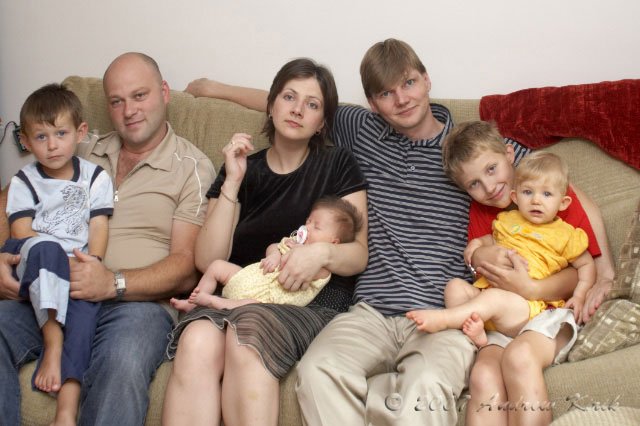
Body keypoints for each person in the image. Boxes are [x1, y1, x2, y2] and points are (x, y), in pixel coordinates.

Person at [184, 38, 614, 426]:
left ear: (426, 80)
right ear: (373, 104)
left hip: (444, 318)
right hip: (370, 311)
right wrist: (214, 88)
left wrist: (605, 272)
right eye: (386, 93)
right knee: (317, 371)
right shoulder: (360, 130)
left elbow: (570, 195)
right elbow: (292, 106)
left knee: (423, 388)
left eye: (408, 83)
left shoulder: (469, 151)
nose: (402, 99)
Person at [0, 52, 215, 425]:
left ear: (164, 93)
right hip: (52, 290)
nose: (129, 111)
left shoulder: (192, 167)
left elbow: (186, 265)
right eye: (116, 101)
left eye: (139, 96)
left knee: (122, 359)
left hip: (136, 306)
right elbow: (11, 197)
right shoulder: (81, 145)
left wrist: (112, 283)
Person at [162, 58, 368, 425]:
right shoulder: (242, 168)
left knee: (247, 329)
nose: (297, 109)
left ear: (322, 122)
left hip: (309, 302)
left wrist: (321, 253)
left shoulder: (338, 163)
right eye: (289, 97)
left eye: (312, 104)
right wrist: (232, 182)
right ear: (271, 105)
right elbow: (207, 259)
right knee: (196, 341)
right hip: (243, 290)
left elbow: (358, 255)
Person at [437, 120, 615, 425]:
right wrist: (478, 255)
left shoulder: (547, 193)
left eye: (491, 169)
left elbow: (583, 264)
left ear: (510, 155)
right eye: (474, 184)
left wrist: (602, 276)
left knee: (519, 357)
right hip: (502, 321)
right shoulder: (483, 213)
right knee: (482, 375)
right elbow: (479, 265)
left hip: (547, 311)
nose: (489, 187)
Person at [2, 83, 113, 425]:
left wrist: (93, 261)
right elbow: (21, 232)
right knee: (47, 248)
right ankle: (53, 341)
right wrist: (56, 263)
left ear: (80, 132)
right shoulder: (24, 181)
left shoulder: (95, 178)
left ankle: (66, 411)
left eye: (61, 134)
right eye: (41, 137)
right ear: (25, 141)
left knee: (84, 318)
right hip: (32, 258)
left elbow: (98, 226)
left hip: (74, 267)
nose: (52, 145)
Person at [407, 150, 596, 349]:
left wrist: (580, 295)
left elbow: (586, 264)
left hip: (525, 308)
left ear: (563, 203)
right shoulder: (508, 220)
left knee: (493, 299)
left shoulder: (566, 234)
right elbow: (492, 238)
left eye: (546, 194)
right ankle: (476, 333)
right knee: (454, 286)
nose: (536, 200)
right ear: (515, 197)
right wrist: (477, 245)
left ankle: (446, 319)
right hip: (488, 301)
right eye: (528, 192)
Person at [170, 195, 362, 311]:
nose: (307, 227)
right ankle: (194, 301)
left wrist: (301, 253)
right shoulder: (293, 241)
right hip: (250, 278)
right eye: (308, 221)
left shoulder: (323, 269)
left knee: (252, 308)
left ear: (333, 243)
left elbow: (302, 270)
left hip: (265, 300)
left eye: (316, 227)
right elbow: (273, 247)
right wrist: (274, 255)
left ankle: (213, 302)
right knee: (216, 266)